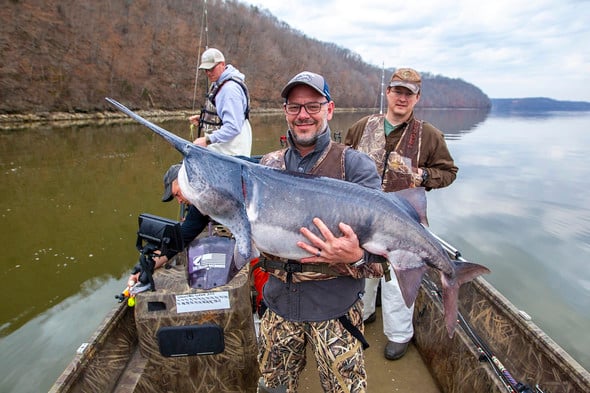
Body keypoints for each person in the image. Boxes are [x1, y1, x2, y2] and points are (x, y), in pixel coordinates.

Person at [255, 71, 384, 393]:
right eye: (294, 107)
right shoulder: (266, 166)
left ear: (329, 109)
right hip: (277, 304)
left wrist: (357, 257)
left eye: (313, 106)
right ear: (285, 111)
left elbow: (386, 257)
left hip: (335, 308)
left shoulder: (355, 167)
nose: (303, 115)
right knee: (272, 388)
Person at [345, 67, 458, 361]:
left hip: (406, 224)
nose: (402, 97)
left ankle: (398, 335)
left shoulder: (429, 136)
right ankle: (366, 314)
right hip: (362, 221)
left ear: (417, 98)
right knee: (361, 274)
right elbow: (340, 164)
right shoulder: (360, 128)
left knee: (398, 284)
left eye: (408, 93)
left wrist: (422, 176)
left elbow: (449, 173)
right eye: (397, 91)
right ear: (387, 93)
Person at [190, 47, 252, 157]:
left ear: (222, 64)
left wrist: (207, 140)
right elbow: (222, 116)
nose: (208, 73)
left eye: (211, 68)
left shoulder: (230, 89)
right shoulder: (219, 83)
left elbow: (233, 126)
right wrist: (204, 120)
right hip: (221, 150)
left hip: (232, 152)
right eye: (206, 69)